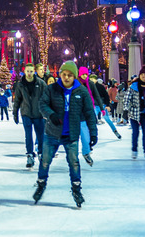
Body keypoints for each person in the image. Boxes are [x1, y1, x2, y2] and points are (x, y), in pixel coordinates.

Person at [33, 61, 97, 208]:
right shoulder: (52, 89)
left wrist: (93, 133)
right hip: (52, 133)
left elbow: (89, 113)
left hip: (71, 134)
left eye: (69, 75)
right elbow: (42, 104)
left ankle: (76, 190)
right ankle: (41, 184)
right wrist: (51, 115)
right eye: (64, 75)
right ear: (60, 75)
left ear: (74, 76)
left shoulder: (81, 91)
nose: (66, 78)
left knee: (74, 163)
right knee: (45, 161)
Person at [13, 63, 47, 168]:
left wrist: (47, 112)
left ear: (34, 72)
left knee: (40, 135)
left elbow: (46, 98)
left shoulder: (41, 83)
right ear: (24, 71)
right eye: (27, 71)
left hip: (38, 114)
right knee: (28, 135)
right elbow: (17, 99)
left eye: (31, 71)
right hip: (26, 113)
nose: (29, 73)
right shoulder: (20, 85)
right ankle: (29, 155)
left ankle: (41, 153)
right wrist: (15, 113)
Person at [124, 66, 145, 161]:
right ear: (139, 76)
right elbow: (127, 98)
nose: (143, 77)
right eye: (142, 75)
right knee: (135, 132)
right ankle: (134, 150)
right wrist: (126, 110)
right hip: (134, 113)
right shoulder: (133, 86)